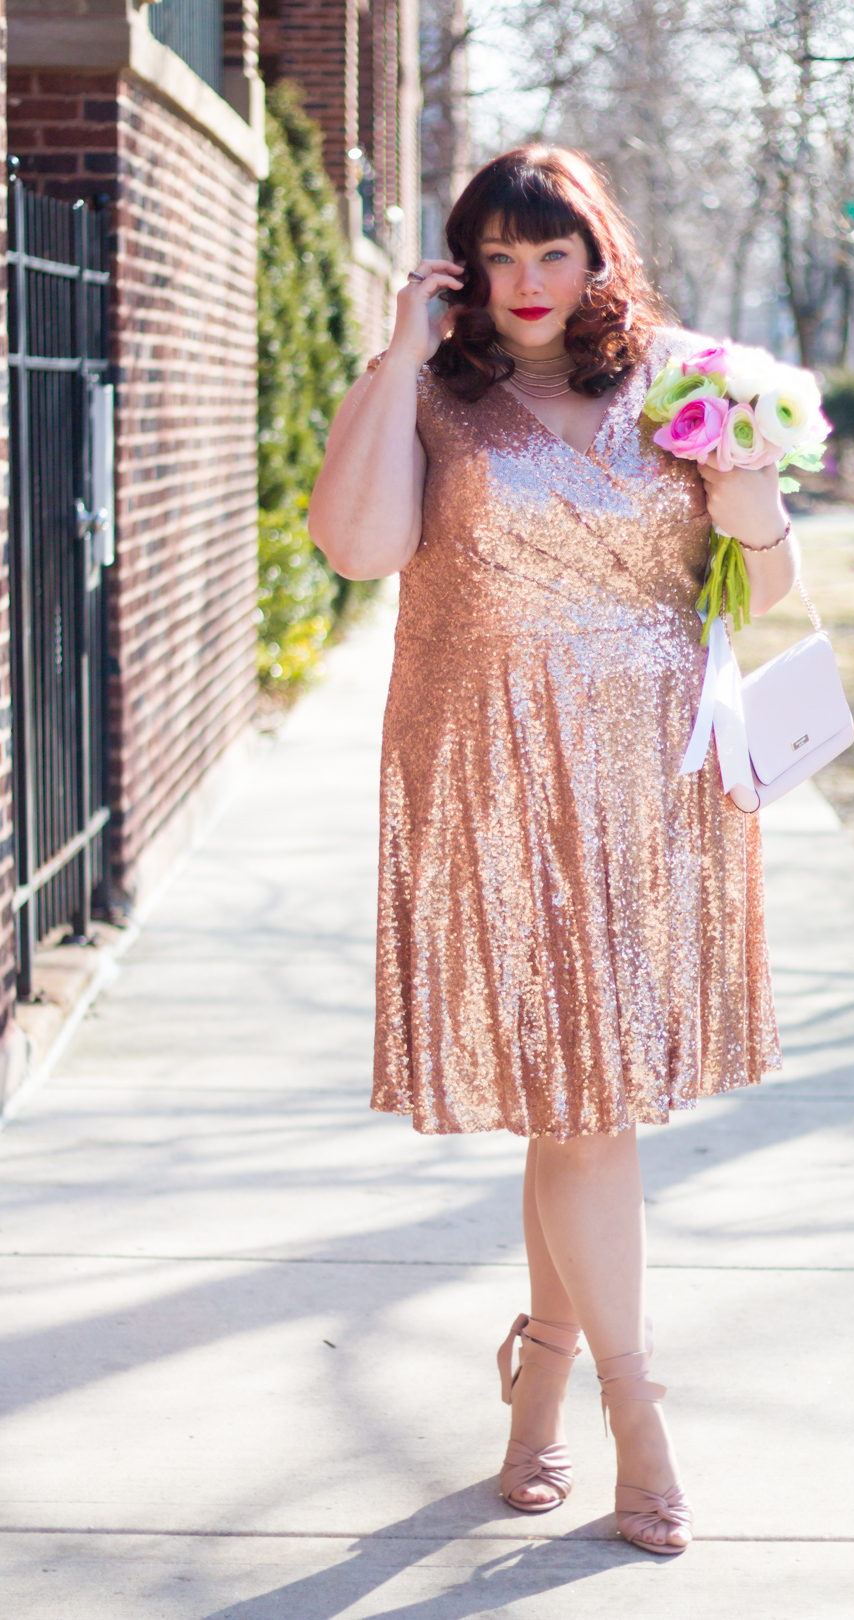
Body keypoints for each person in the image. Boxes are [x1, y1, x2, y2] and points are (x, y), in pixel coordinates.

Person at [309, 146, 794, 1557]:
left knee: (586, 1104)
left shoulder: (681, 389)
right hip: (497, 773)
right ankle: (635, 1411)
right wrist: (396, 360)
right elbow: (357, 547)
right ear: (463, 268)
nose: (528, 285)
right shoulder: (444, 398)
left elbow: (767, 586)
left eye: (554, 254)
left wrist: (750, 477)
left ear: (599, 260)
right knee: (580, 1107)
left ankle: (540, 1386)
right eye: (500, 257)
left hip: (657, 781)